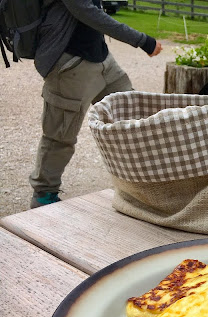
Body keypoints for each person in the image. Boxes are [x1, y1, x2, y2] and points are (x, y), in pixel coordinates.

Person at [29, 0, 163, 209]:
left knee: (133, 116)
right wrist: (142, 40)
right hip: (70, 64)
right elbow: (87, 12)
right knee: (60, 136)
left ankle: (147, 186)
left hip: (102, 58)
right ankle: (44, 197)